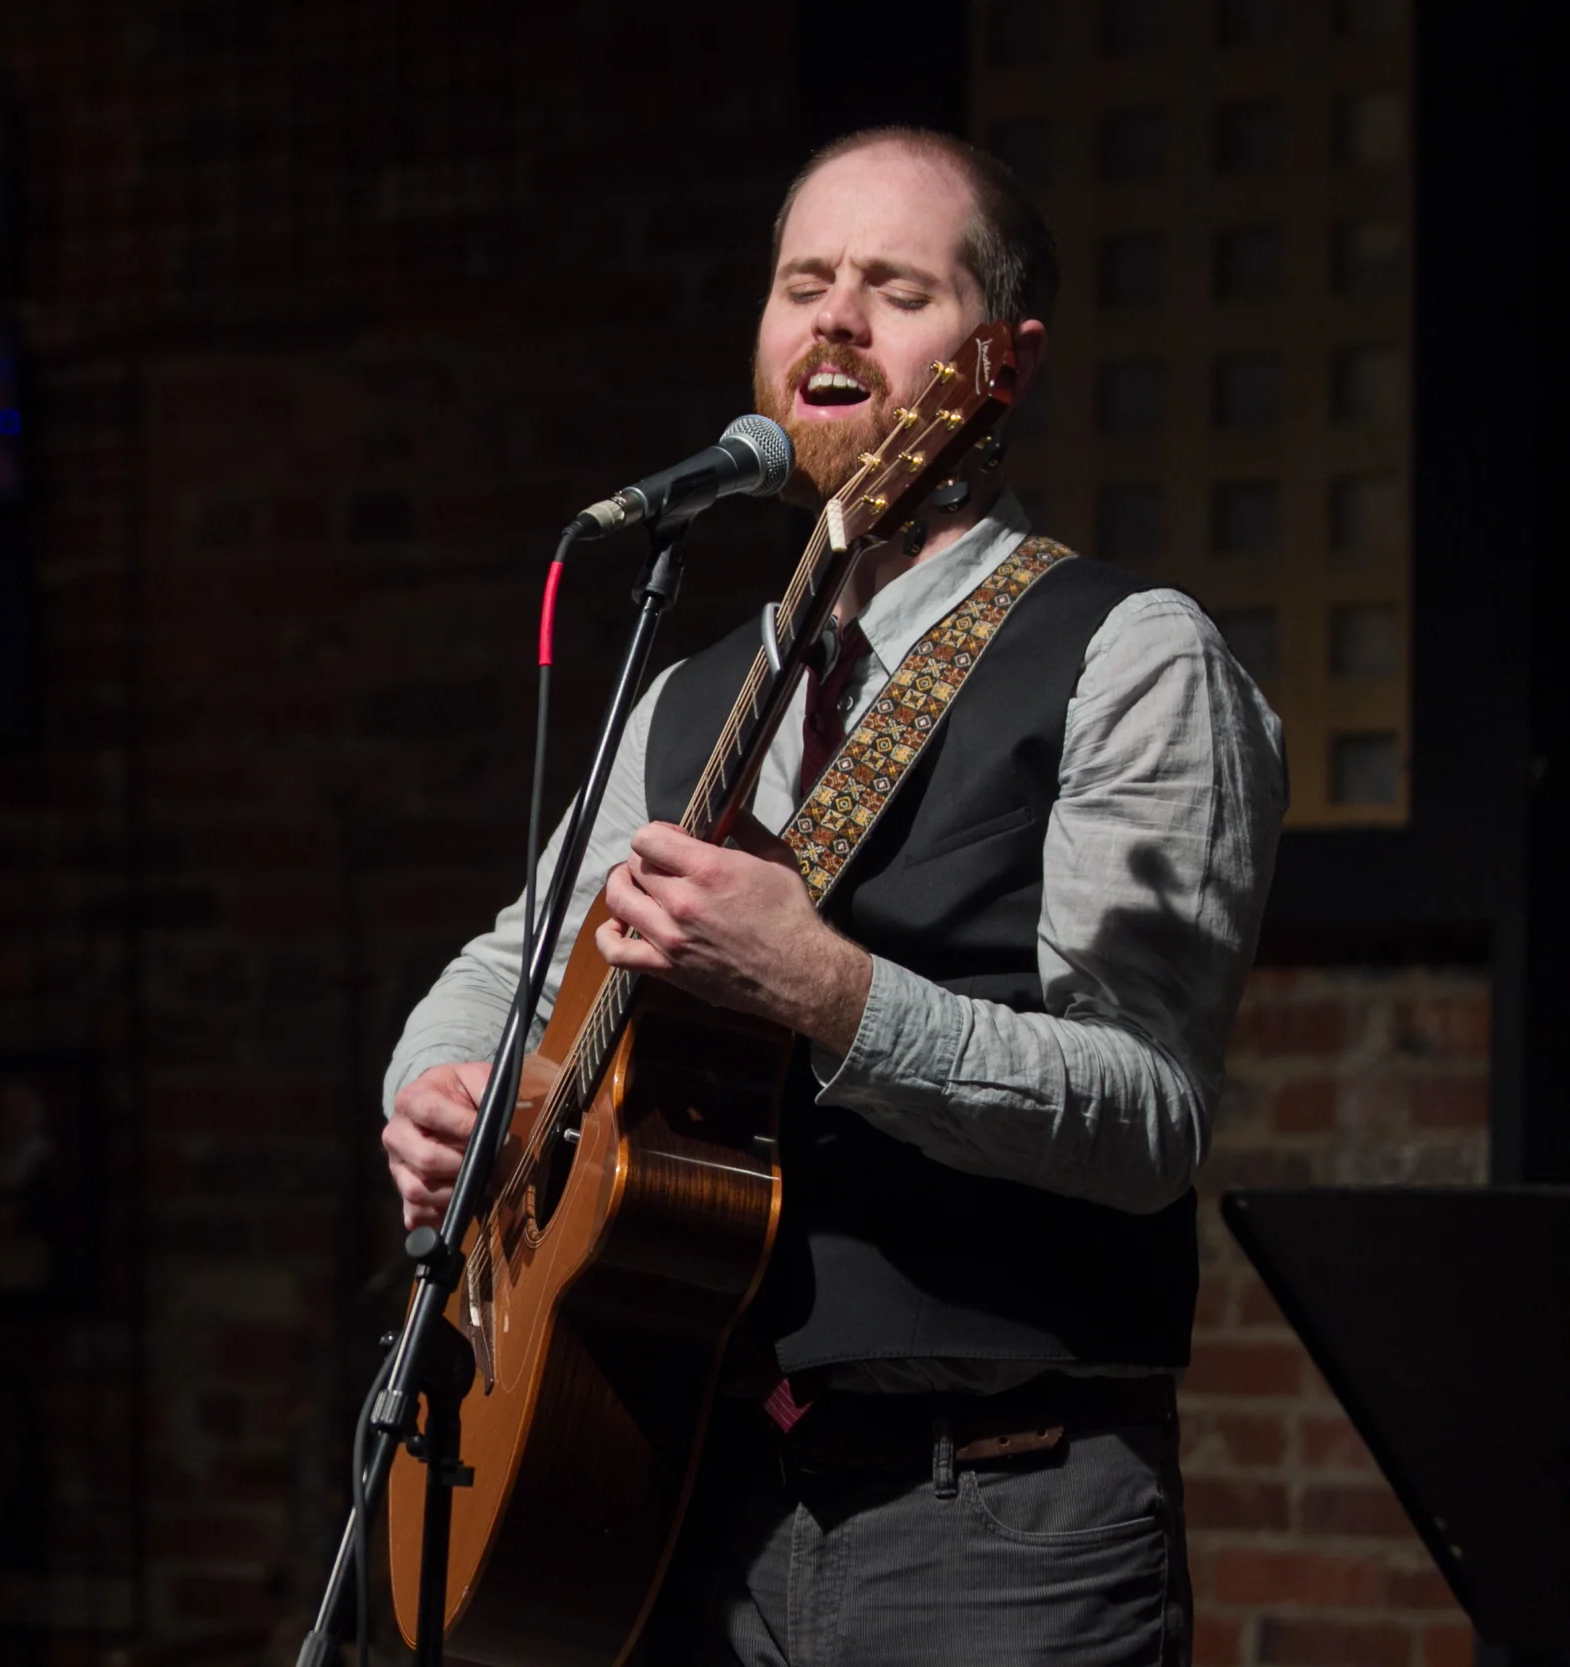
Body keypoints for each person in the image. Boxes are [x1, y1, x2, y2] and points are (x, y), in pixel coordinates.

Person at [378, 127, 1285, 1666]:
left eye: (895, 286)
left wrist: (827, 993)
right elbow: (502, 967)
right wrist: (436, 1090)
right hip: (689, 1501)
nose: (836, 319)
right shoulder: (689, 695)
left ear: (1002, 358)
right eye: (805, 282)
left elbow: (1149, 1115)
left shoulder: (1129, 654)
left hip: (997, 1523)